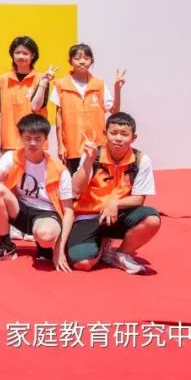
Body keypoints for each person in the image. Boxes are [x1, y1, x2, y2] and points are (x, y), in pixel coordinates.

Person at [66, 112, 160, 274]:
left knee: (152, 219)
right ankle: (102, 245)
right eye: (113, 133)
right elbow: (76, 188)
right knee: (83, 263)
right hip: (88, 216)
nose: (118, 138)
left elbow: (139, 199)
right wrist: (88, 161)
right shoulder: (93, 155)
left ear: (133, 137)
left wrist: (115, 203)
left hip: (118, 215)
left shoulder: (141, 160)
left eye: (124, 134)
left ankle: (121, 253)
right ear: (105, 133)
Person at [0, 114, 74, 269]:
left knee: (45, 236)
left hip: (46, 213)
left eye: (38, 138)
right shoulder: (11, 157)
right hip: (20, 209)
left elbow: (69, 211)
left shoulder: (59, 169)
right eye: (28, 138)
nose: (32, 143)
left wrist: (60, 248)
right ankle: (6, 245)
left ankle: (44, 246)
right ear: (21, 138)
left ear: (45, 139)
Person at [51, 44, 126, 174]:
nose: (82, 61)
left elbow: (115, 111)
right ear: (70, 61)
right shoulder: (60, 85)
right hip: (72, 146)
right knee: (76, 182)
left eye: (86, 58)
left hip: (97, 145)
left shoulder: (99, 85)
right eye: (77, 58)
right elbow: (58, 117)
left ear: (92, 61)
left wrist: (117, 89)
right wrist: (60, 145)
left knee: (98, 181)